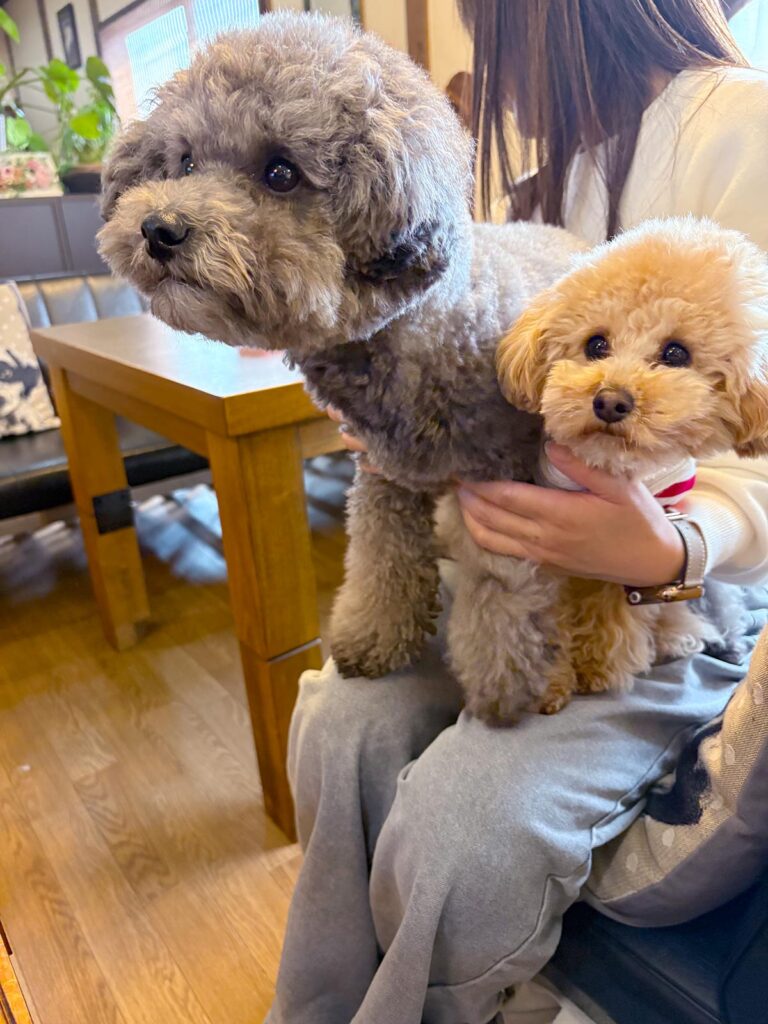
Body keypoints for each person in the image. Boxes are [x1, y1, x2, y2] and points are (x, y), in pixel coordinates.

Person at [267, 3, 768, 1023]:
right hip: (504, 559)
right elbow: (490, 362)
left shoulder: (745, 126)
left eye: (487, 30)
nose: (491, 70)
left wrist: (673, 544)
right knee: (337, 721)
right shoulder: (539, 175)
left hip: (679, 593)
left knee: (463, 825)